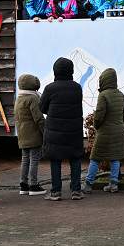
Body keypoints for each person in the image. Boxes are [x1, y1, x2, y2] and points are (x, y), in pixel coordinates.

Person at [41, 57, 85, 201]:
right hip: (74, 130)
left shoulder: (50, 88)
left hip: (55, 131)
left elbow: (42, 108)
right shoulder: (77, 88)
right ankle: (76, 191)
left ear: (55, 71)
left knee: (55, 160)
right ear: (71, 71)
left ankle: (56, 192)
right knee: (75, 159)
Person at [83, 68, 124, 194]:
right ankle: (113, 185)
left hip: (105, 131)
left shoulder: (103, 95)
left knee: (95, 158)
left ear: (104, 80)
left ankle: (88, 185)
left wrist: (96, 126)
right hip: (118, 130)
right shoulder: (120, 94)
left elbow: (99, 115)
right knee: (115, 158)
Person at [14, 73, 46, 196]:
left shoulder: (19, 98)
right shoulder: (33, 98)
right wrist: (45, 132)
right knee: (34, 160)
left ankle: (23, 185)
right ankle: (33, 185)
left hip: (22, 134)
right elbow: (39, 118)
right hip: (34, 134)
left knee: (25, 159)